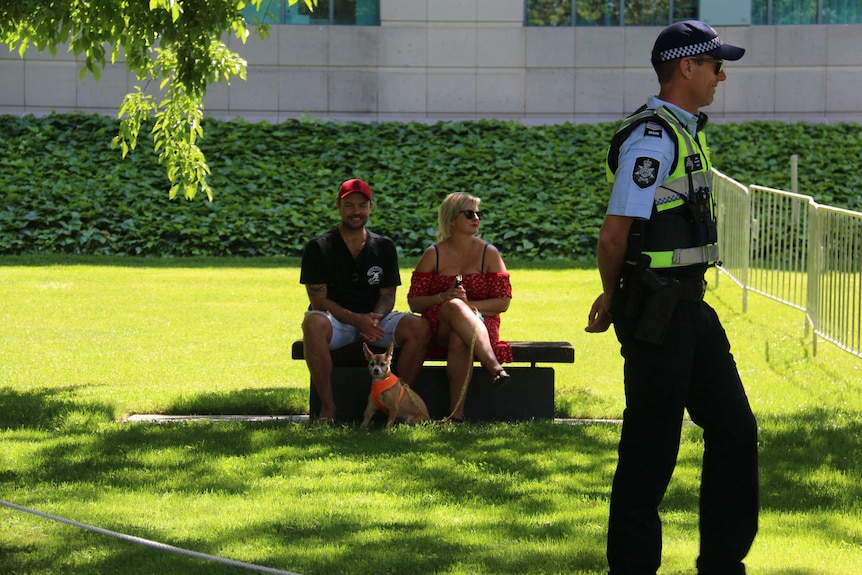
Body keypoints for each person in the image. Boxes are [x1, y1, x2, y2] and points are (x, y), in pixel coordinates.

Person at [584, 21, 759, 575]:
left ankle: (723, 565)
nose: (721, 76)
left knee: (735, 430)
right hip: (657, 313)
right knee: (650, 450)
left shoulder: (685, 130)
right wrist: (612, 298)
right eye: (714, 65)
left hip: (690, 308)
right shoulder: (652, 138)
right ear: (687, 67)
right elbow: (615, 235)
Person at [300, 178, 431, 423]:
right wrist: (358, 321)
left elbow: (388, 295)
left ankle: (396, 400)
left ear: (371, 207)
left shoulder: (384, 247)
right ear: (338, 206)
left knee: (419, 327)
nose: (356, 211)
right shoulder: (318, 247)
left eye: (362, 205)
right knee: (312, 324)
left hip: (373, 320)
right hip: (336, 321)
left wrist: (375, 317)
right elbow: (319, 301)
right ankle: (328, 409)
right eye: (349, 205)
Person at [407, 192, 512, 423]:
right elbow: (414, 302)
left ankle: (456, 417)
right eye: (468, 213)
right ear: (451, 220)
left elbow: (503, 302)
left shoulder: (489, 253)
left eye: (478, 213)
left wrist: (469, 306)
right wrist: (444, 296)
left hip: (482, 326)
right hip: (439, 326)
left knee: (460, 338)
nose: (476, 218)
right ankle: (494, 368)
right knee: (453, 307)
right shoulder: (433, 254)